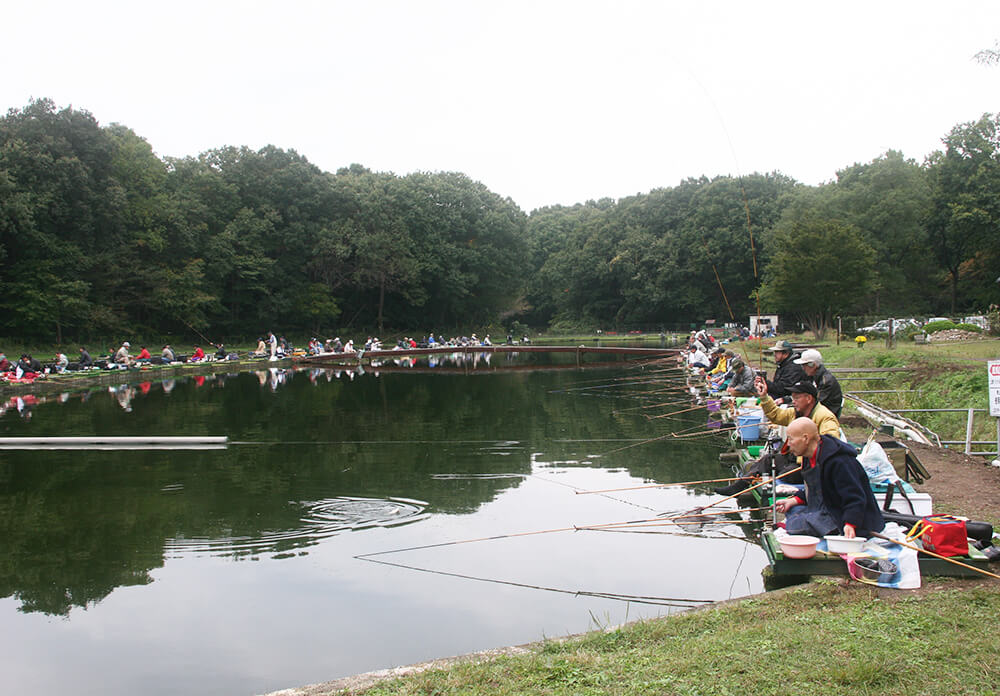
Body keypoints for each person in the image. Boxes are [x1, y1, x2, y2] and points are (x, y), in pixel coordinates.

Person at [775, 417, 885, 538]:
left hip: (841, 515)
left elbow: (856, 497)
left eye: (791, 439)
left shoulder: (839, 461)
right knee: (793, 511)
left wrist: (850, 524)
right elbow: (813, 490)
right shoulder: (808, 456)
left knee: (797, 525)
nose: (788, 444)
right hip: (822, 509)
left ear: (805, 438)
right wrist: (791, 501)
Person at [756, 378, 840, 437]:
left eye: (796, 398)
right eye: (792, 398)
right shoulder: (795, 412)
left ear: (808, 399)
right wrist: (764, 396)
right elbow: (776, 415)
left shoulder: (825, 417)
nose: (793, 401)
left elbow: (831, 444)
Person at [794, 349, 843, 418]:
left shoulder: (826, 382)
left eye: (804, 365)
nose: (803, 368)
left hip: (826, 416)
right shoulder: (815, 377)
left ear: (812, 365)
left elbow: (815, 403)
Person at [764, 340, 807, 405]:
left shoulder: (793, 367)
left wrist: (766, 383)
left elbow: (784, 389)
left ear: (786, 353)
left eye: (777, 352)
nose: (774, 354)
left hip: (789, 402)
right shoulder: (783, 364)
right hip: (780, 398)